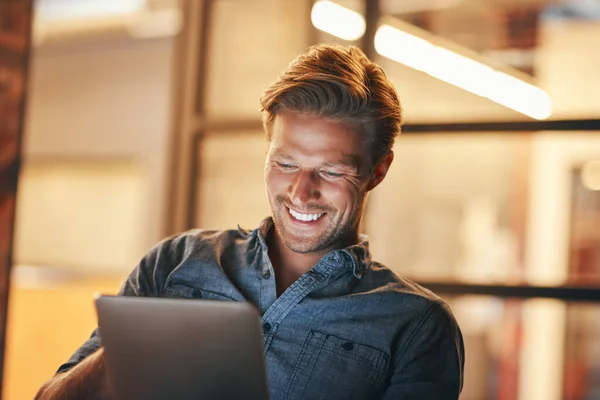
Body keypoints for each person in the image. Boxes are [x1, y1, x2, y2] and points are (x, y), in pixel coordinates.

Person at [36, 44, 464, 400]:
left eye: (332, 172)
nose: (301, 192)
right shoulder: (175, 262)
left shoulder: (416, 327)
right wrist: (129, 352)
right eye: (286, 163)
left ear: (378, 170)